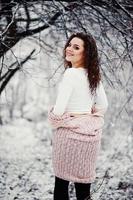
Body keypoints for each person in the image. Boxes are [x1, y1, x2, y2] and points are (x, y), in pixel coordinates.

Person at [48, 32, 108, 200]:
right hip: (90, 139)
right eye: (69, 45)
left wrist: (58, 116)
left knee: (61, 185)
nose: (69, 49)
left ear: (85, 53)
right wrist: (86, 115)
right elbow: (104, 105)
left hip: (68, 137)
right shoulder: (93, 75)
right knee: (84, 191)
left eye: (76, 47)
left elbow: (59, 111)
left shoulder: (70, 74)